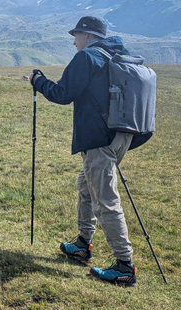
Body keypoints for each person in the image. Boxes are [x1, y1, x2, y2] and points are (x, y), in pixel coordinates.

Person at [31, 16, 138, 287]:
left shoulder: (88, 57)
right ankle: (82, 245)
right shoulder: (117, 55)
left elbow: (62, 94)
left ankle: (124, 266)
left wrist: (38, 81)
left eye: (76, 35)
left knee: (105, 199)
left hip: (98, 140)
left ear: (87, 35)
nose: (74, 41)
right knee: (86, 186)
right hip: (121, 135)